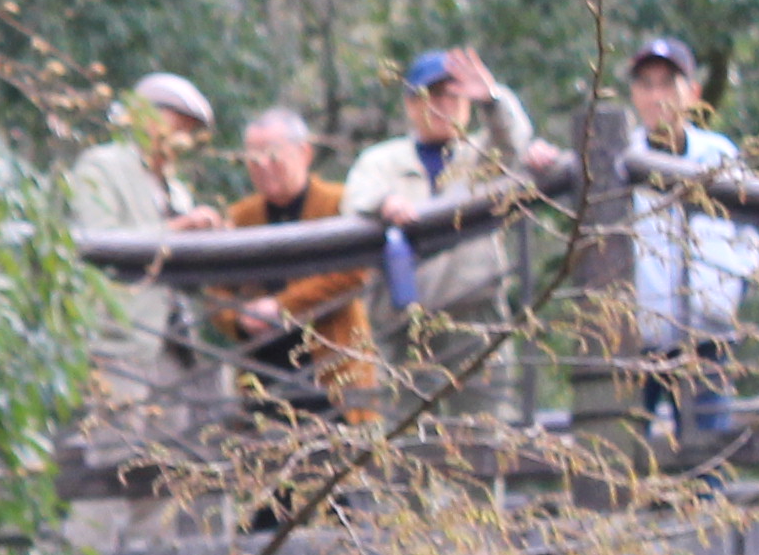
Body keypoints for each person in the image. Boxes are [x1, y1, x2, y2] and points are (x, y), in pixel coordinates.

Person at [343, 49, 544, 406]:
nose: (444, 105)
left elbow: (515, 139)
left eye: (454, 96)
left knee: (485, 426)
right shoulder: (381, 161)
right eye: (432, 96)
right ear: (410, 105)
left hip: (475, 315)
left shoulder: (483, 154)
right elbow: (355, 199)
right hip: (403, 326)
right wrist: (384, 204)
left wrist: (492, 99)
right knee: (409, 430)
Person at [613, 34, 759, 451]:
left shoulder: (719, 155)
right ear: (634, 95)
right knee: (623, 453)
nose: (657, 97)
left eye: (668, 84)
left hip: (706, 336)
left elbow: (749, 236)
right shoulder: (617, 157)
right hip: (637, 340)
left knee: (707, 453)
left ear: (693, 93)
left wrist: (723, 294)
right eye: (646, 85)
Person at [58, 71, 221, 454]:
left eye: (190, 131)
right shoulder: (101, 166)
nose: (182, 138)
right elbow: (96, 238)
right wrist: (179, 227)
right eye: (177, 124)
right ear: (143, 117)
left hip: (173, 348)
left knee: (169, 469)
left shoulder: (175, 188)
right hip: (119, 343)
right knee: (113, 461)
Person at [203, 107, 374, 417]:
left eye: (272, 155)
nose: (262, 166)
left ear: (304, 153)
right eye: (253, 159)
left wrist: (282, 306)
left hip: (332, 363)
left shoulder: (337, 202)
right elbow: (215, 290)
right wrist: (239, 320)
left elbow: (354, 272)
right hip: (264, 372)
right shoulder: (241, 216)